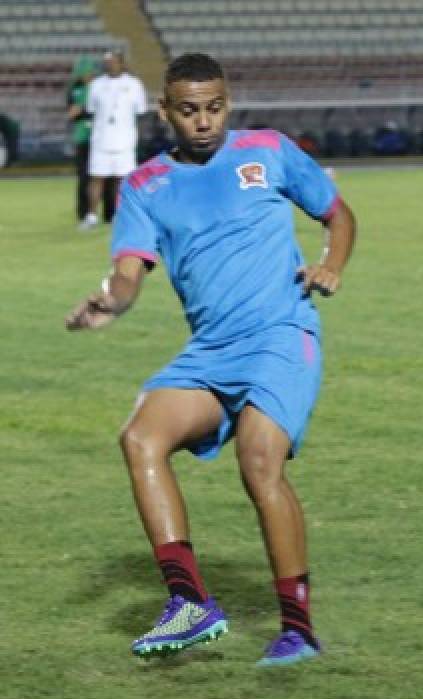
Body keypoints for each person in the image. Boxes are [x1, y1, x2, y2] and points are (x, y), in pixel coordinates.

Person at [65, 53, 357, 667]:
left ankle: (297, 629)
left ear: (229, 102)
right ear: (165, 110)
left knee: (258, 462)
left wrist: (331, 263)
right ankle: (189, 603)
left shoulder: (269, 150)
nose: (204, 121)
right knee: (140, 436)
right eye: (190, 110)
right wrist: (111, 303)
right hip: (211, 352)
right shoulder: (144, 186)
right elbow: (127, 272)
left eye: (215, 107)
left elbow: (337, 213)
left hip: (281, 334)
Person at [80, 50, 147, 231]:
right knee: (96, 178)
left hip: (125, 140)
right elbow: (91, 109)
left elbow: (140, 112)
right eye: (106, 62)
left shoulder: (134, 84)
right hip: (101, 139)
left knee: (123, 180)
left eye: (113, 61)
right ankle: (92, 216)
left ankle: (121, 216)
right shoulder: (96, 85)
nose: (109, 65)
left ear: (121, 63)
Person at [66, 56, 112, 223]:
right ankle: (84, 213)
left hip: (102, 137)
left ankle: (109, 213)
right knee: (84, 177)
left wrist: (82, 110)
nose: (88, 76)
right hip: (83, 138)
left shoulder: (103, 88)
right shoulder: (75, 89)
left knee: (106, 176)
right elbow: (71, 113)